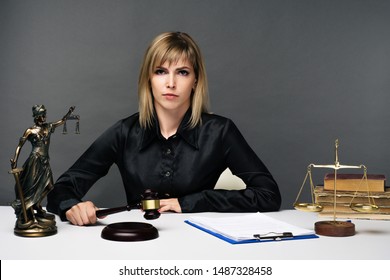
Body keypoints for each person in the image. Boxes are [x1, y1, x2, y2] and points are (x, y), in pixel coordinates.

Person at [47, 32, 281, 226]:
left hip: (202, 244)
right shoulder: (124, 132)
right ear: (148, 79)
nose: (171, 83)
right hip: (141, 244)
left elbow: (268, 195)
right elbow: (64, 187)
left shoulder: (220, 131)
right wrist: (72, 207)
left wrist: (191, 202)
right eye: (161, 71)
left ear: (196, 80)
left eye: (182, 72)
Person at [10, 105, 75, 229]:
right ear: (36, 117)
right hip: (35, 161)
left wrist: (69, 113)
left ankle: (37, 206)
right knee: (32, 187)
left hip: (45, 161)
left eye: (45, 115)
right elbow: (20, 145)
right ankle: (29, 211)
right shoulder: (30, 131)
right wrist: (15, 160)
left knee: (48, 185)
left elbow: (61, 121)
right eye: (41, 116)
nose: (44, 118)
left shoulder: (48, 127)